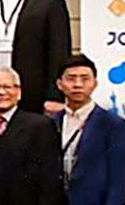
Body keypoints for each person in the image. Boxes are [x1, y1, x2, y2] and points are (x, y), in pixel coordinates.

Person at [0, 66, 62, 205]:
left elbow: (49, 179)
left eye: (7, 87)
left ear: (19, 93)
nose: (1, 92)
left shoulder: (40, 126)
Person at [53, 55, 125, 205]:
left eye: (85, 79)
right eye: (71, 79)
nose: (78, 84)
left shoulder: (113, 124)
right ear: (59, 84)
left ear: (95, 83)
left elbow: (119, 179)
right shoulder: (50, 123)